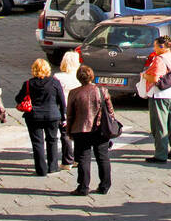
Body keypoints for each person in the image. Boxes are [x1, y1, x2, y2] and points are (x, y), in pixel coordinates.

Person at [65, 65, 115, 196]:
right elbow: (110, 111)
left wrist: (68, 131)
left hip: (80, 129)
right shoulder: (102, 90)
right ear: (92, 76)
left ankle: (83, 187)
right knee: (103, 157)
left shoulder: (74, 93)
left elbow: (69, 115)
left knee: (83, 158)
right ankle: (105, 185)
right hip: (100, 128)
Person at [16, 58, 67, 175]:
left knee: (37, 142)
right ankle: (53, 166)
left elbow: (18, 98)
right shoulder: (55, 83)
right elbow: (62, 101)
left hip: (34, 116)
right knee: (52, 140)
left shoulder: (28, 83)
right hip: (52, 115)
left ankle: (41, 169)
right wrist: (63, 116)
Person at [141, 34, 171, 163]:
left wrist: (144, 76)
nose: (154, 48)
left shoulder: (159, 59)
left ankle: (160, 154)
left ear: (161, 46)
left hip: (160, 94)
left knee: (159, 125)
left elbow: (155, 78)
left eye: (155, 45)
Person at [54, 50, 81, 169]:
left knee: (65, 135)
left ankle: (67, 160)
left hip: (64, 108)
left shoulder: (58, 77)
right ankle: (78, 159)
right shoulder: (79, 77)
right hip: (79, 108)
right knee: (79, 134)